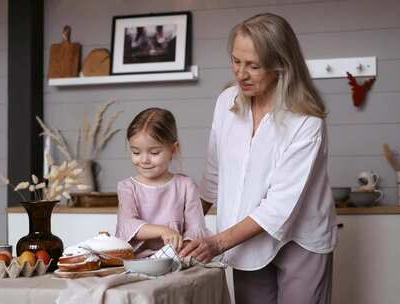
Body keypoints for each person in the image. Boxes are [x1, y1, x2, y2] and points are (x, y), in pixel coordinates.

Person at [179, 13, 338, 304]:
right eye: (236, 61)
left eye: (253, 66)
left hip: (300, 240)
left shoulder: (306, 120)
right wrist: (182, 228)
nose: (241, 74)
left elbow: (279, 207)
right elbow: (214, 177)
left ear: (281, 66)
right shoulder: (227, 102)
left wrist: (216, 242)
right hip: (244, 239)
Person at [116, 108, 211, 258]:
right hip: (139, 264)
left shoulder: (186, 186)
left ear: (173, 150)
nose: (144, 160)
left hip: (177, 259)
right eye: (136, 152)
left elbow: (196, 227)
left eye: (154, 153)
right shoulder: (127, 187)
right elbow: (127, 225)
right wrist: (164, 231)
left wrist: (185, 244)